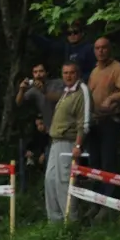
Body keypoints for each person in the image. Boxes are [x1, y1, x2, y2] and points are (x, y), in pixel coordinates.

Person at [86, 37, 120, 197]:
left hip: (110, 120)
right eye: (97, 48)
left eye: (104, 48)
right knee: (94, 161)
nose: (100, 51)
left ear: (109, 49)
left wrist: (114, 98)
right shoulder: (94, 71)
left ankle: (109, 197)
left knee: (108, 161)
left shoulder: (117, 68)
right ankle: (96, 197)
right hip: (94, 121)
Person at [44, 62, 90, 222]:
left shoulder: (82, 91)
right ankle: (55, 222)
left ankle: (71, 221)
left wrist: (78, 145)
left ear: (77, 74)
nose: (68, 76)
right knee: (50, 180)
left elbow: (84, 122)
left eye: (71, 73)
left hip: (68, 142)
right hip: (55, 141)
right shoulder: (65, 91)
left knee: (64, 181)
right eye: (65, 73)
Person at [31, 19, 97, 78]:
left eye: (75, 32)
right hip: (68, 82)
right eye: (69, 33)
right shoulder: (66, 47)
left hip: (84, 82)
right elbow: (49, 44)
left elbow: (94, 69)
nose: (72, 35)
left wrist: (82, 78)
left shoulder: (89, 48)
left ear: (82, 33)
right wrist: (33, 34)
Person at [15, 62, 63, 130]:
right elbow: (18, 102)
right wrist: (21, 90)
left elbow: (60, 98)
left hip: (64, 124)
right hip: (50, 128)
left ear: (47, 73)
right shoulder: (34, 89)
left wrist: (43, 91)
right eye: (35, 72)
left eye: (41, 71)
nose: (38, 74)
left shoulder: (57, 83)